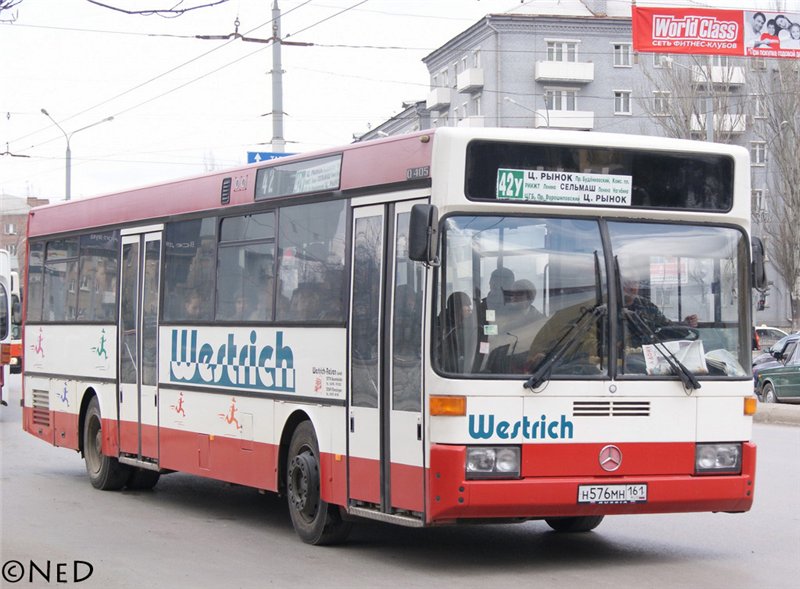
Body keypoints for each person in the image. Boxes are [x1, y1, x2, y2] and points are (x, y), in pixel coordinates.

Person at [622, 278, 697, 348]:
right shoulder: (615, 307)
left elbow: (667, 327)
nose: (633, 288)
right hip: (621, 355)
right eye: (627, 283)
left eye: (635, 283)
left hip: (648, 353)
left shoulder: (646, 305)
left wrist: (685, 325)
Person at [441, 291, 473, 373]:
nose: (470, 309)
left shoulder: (467, 324)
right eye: (466, 305)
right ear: (457, 307)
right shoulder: (443, 325)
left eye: (469, 306)